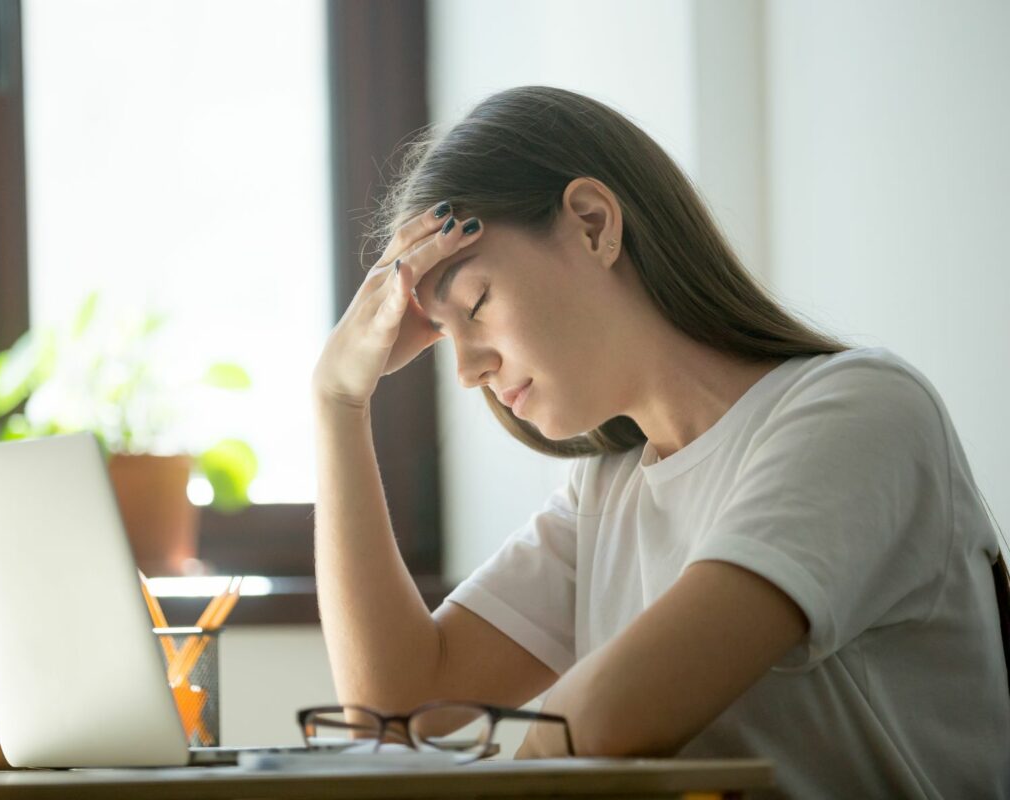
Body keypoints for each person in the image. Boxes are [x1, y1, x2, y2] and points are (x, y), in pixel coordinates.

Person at [309, 85, 1010, 798]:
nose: (466, 370)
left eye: (477, 305)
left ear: (592, 223)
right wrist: (337, 402)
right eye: (445, 340)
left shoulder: (862, 411)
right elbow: (393, 709)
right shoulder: (608, 490)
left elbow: (611, 717)